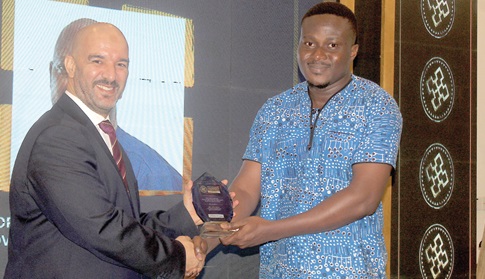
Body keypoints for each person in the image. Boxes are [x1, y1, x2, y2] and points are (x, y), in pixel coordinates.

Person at [6, 22, 206, 278]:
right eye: (97, 61)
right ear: (70, 65)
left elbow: (124, 222)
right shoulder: (58, 136)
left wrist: (186, 214)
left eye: (121, 64)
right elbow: (103, 229)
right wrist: (177, 257)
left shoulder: (103, 137)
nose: (111, 76)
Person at [220, 2, 403, 278]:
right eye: (309, 43)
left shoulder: (376, 106)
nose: (318, 54)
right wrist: (212, 233)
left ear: (353, 51)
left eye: (332, 45)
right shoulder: (274, 110)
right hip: (278, 272)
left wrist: (270, 229)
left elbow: (362, 198)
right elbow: (246, 189)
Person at [49, 18, 183, 192]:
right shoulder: (42, 148)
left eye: (119, 65)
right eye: (63, 70)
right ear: (50, 74)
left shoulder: (152, 173)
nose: (110, 76)